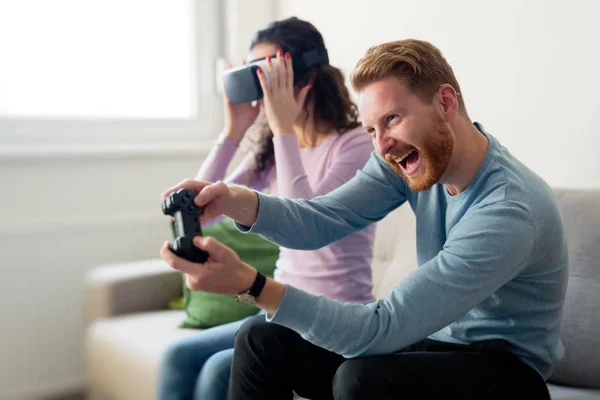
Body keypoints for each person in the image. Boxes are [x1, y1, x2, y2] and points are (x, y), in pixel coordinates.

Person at [160, 39, 567, 400]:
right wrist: (233, 200)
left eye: (392, 119)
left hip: (507, 375)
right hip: (432, 346)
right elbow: (322, 218)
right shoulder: (408, 160)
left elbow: (382, 328)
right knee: (261, 338)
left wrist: (253, 286)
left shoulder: (508, 210)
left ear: (445, 103)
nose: (382, 144)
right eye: (371, 129)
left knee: (361, 378)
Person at [157, 17, 377, 400]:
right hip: (277, 310)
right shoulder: (274, 151)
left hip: (331, 317)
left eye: (269, 77)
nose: (261, 93)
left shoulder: (354, 145)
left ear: (305, 81)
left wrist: (282, 128)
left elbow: (304, 224)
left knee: (216, 371)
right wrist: (233, 130)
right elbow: (207, 204)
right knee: (178, 355)